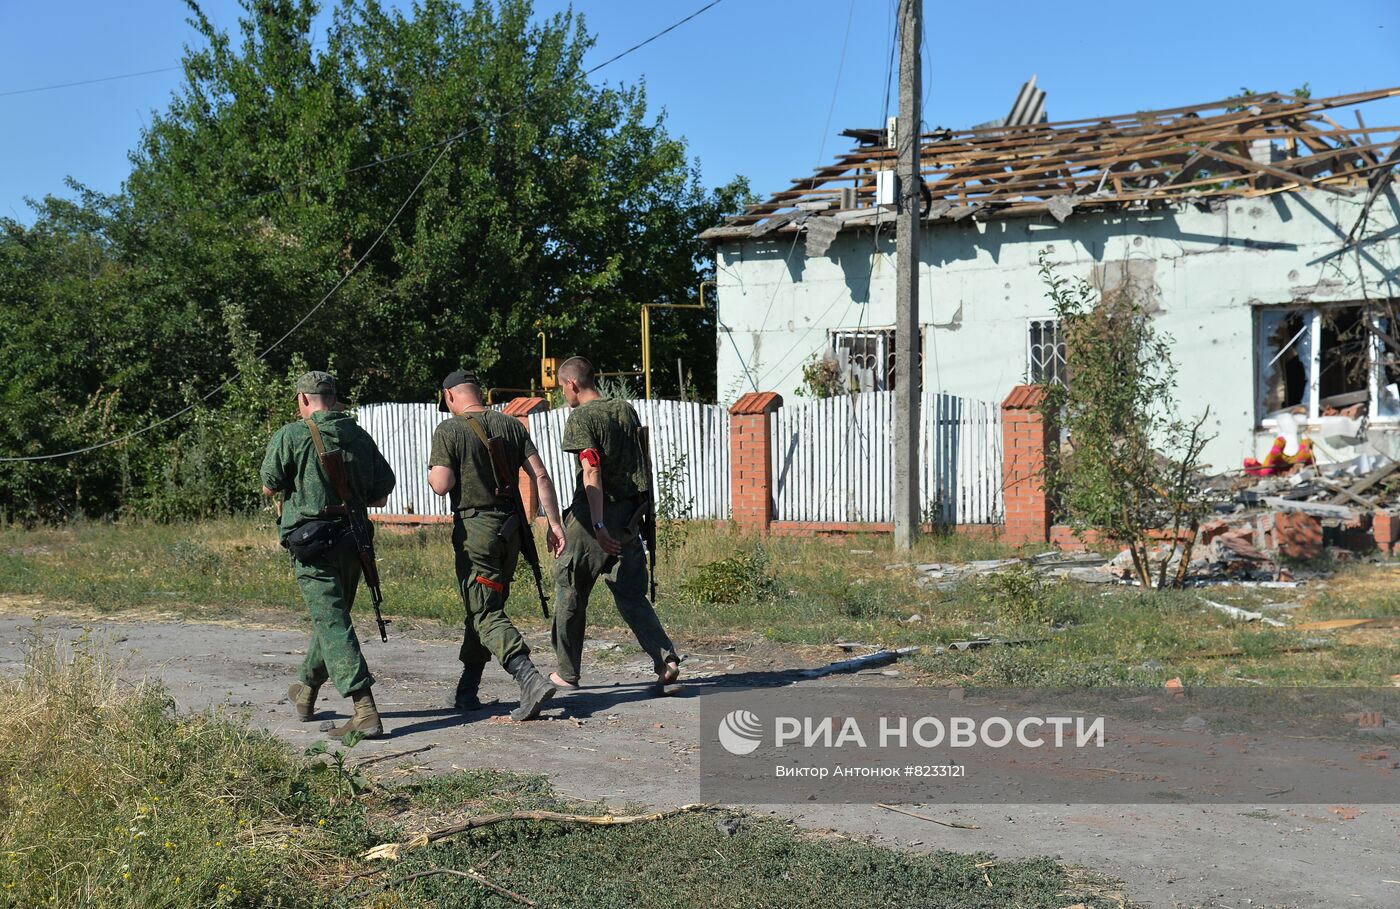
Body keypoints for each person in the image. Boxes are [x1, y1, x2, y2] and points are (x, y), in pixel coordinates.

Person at [261, 371, 396, 737]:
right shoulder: (359, 435)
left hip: (312, 543)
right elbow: (382, 494)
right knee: (332, 619)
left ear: (303, 399)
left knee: (333, 622)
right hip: (353, 540)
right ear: (333, 399)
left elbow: (268, 485)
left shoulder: (290, 435)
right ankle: (306, 692)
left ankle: (364, 709)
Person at [428, 370, 568, 721]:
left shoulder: (450, 429)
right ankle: (467, 689)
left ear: (449, 396)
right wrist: (554, 524)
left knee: (485, 610)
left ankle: (529, 677)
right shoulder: (512, 426)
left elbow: (441, 485)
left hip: (477, 532)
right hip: (511, 532)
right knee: (484, 604)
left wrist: (434, 470)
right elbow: (541, 476)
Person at [549, 356, 680, 691]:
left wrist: (598, 526)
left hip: (595, 517)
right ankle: (666, 660)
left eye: (562, 388)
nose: (564, 395)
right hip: (632, 516)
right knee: (631, 593)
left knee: (570, 587)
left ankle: (567, 672)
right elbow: (642, 458)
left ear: (572, 384)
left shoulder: (582, 417)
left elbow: (591, 470)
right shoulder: (625, 409)